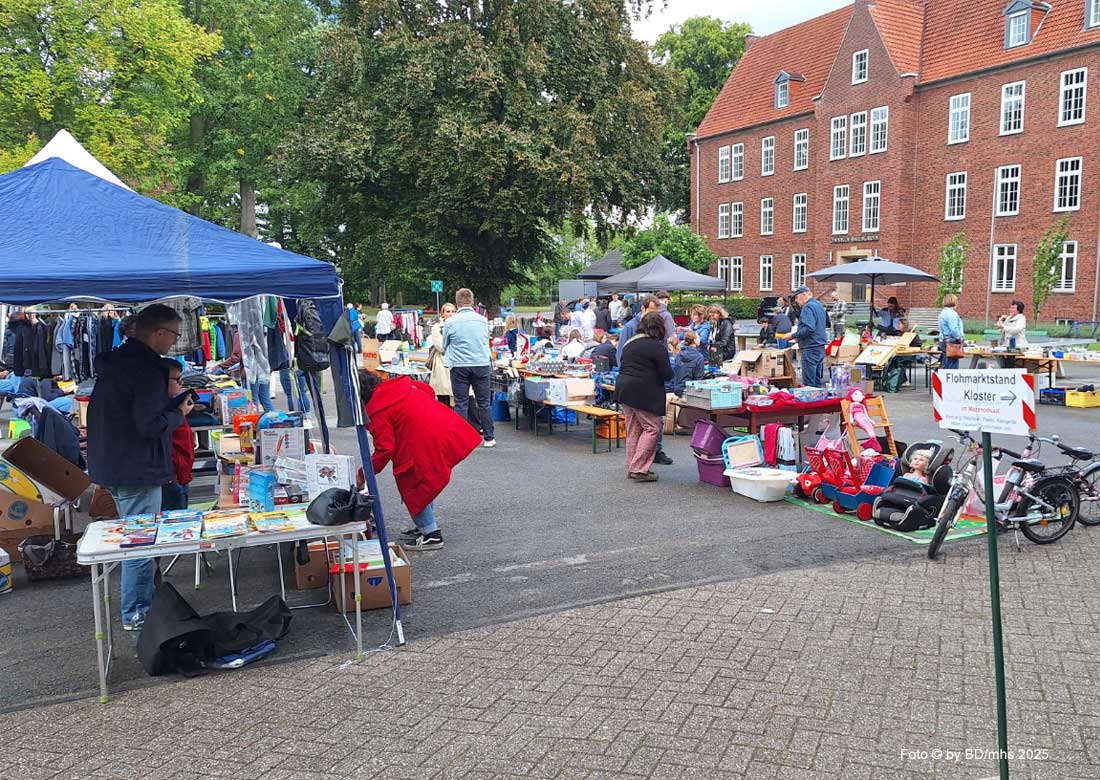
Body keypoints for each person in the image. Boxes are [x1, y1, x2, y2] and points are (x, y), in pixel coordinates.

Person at [88, 305, 193, 631]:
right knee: (141, 544)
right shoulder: (148, 369)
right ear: (159, 333)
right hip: (137, 467)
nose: (174, 343)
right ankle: (137, 615)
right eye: (174, 336)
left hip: (113, 462)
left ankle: (141, 607)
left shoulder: (116, 362)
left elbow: (132, 413)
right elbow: (149, 424)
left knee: (136, 539)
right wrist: (179, 414)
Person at [358, 370, 482, 550]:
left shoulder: (377, 410)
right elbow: (428, 391)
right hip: (439, 429)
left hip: (419, 442)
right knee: (424, 483)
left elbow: (385, 448)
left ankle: (431, 534)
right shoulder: (399, 385)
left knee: (415, 485)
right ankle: (424, 526)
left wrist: (364, 474)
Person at [616, 313, 674, 482]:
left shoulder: (630, 343)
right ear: (659, 328)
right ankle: (639, 468)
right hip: (643, 392)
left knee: (634, 429)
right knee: (652, 428)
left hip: (624, 389)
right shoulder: (656, 347)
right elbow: (667, 374)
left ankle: (632, 464)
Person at [443, 288, 495, 447]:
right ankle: (489, 437)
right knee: (484, 402)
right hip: (481, 364)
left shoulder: (450, 322)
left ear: (457, 303)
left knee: (461, 403)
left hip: (459, 366)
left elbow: (445, 344)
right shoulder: (482, 320)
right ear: (472, 302)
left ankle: (461, 439)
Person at [779, 286, 829, 388]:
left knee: (809, 384)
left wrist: (793, 335)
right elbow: (826, 323)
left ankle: (811, 402)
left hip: (810, 347)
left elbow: (809, 327)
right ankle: (818, 402)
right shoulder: (819, 305)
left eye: (796, 298)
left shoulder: (808, 307)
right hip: (819, 346)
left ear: (804, 295)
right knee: (817, 381)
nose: (796, 301)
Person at [162, 360, 194, 512]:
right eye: (177, 380)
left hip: (180, 474)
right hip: (173, 476)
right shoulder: (162, 411)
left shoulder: (173, 406)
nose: (181, 384)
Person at [617, 295, 661, 362]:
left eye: (657, 313)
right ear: (643, 308)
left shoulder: (658, 326)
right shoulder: (630, 327)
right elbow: (621, 353)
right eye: (651, 312)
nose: (654, 316)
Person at [429, 303, 456, 404]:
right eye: (448, 312)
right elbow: (441, 347)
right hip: (442, 363)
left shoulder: (458, 326)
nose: (451, 314)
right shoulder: (437, 328)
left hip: (455, 363)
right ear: (442, 314)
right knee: (444, 395)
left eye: (453, 311)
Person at [667, 330, 708, 396]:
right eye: (698, 337)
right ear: (694, 340)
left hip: (678, 389)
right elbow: (698, 379)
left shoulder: (679, 355)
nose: (699, 339)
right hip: (690, 391)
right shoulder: (699, 357)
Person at [938, 293, 965, 369]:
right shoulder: (951, 314)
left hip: (944, 340)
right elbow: (954, 329)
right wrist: (960, 338)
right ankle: (949, 380)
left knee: (946, 364)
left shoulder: (942, 313)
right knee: (952, 366)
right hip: (952, 342)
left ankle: (944, 379)